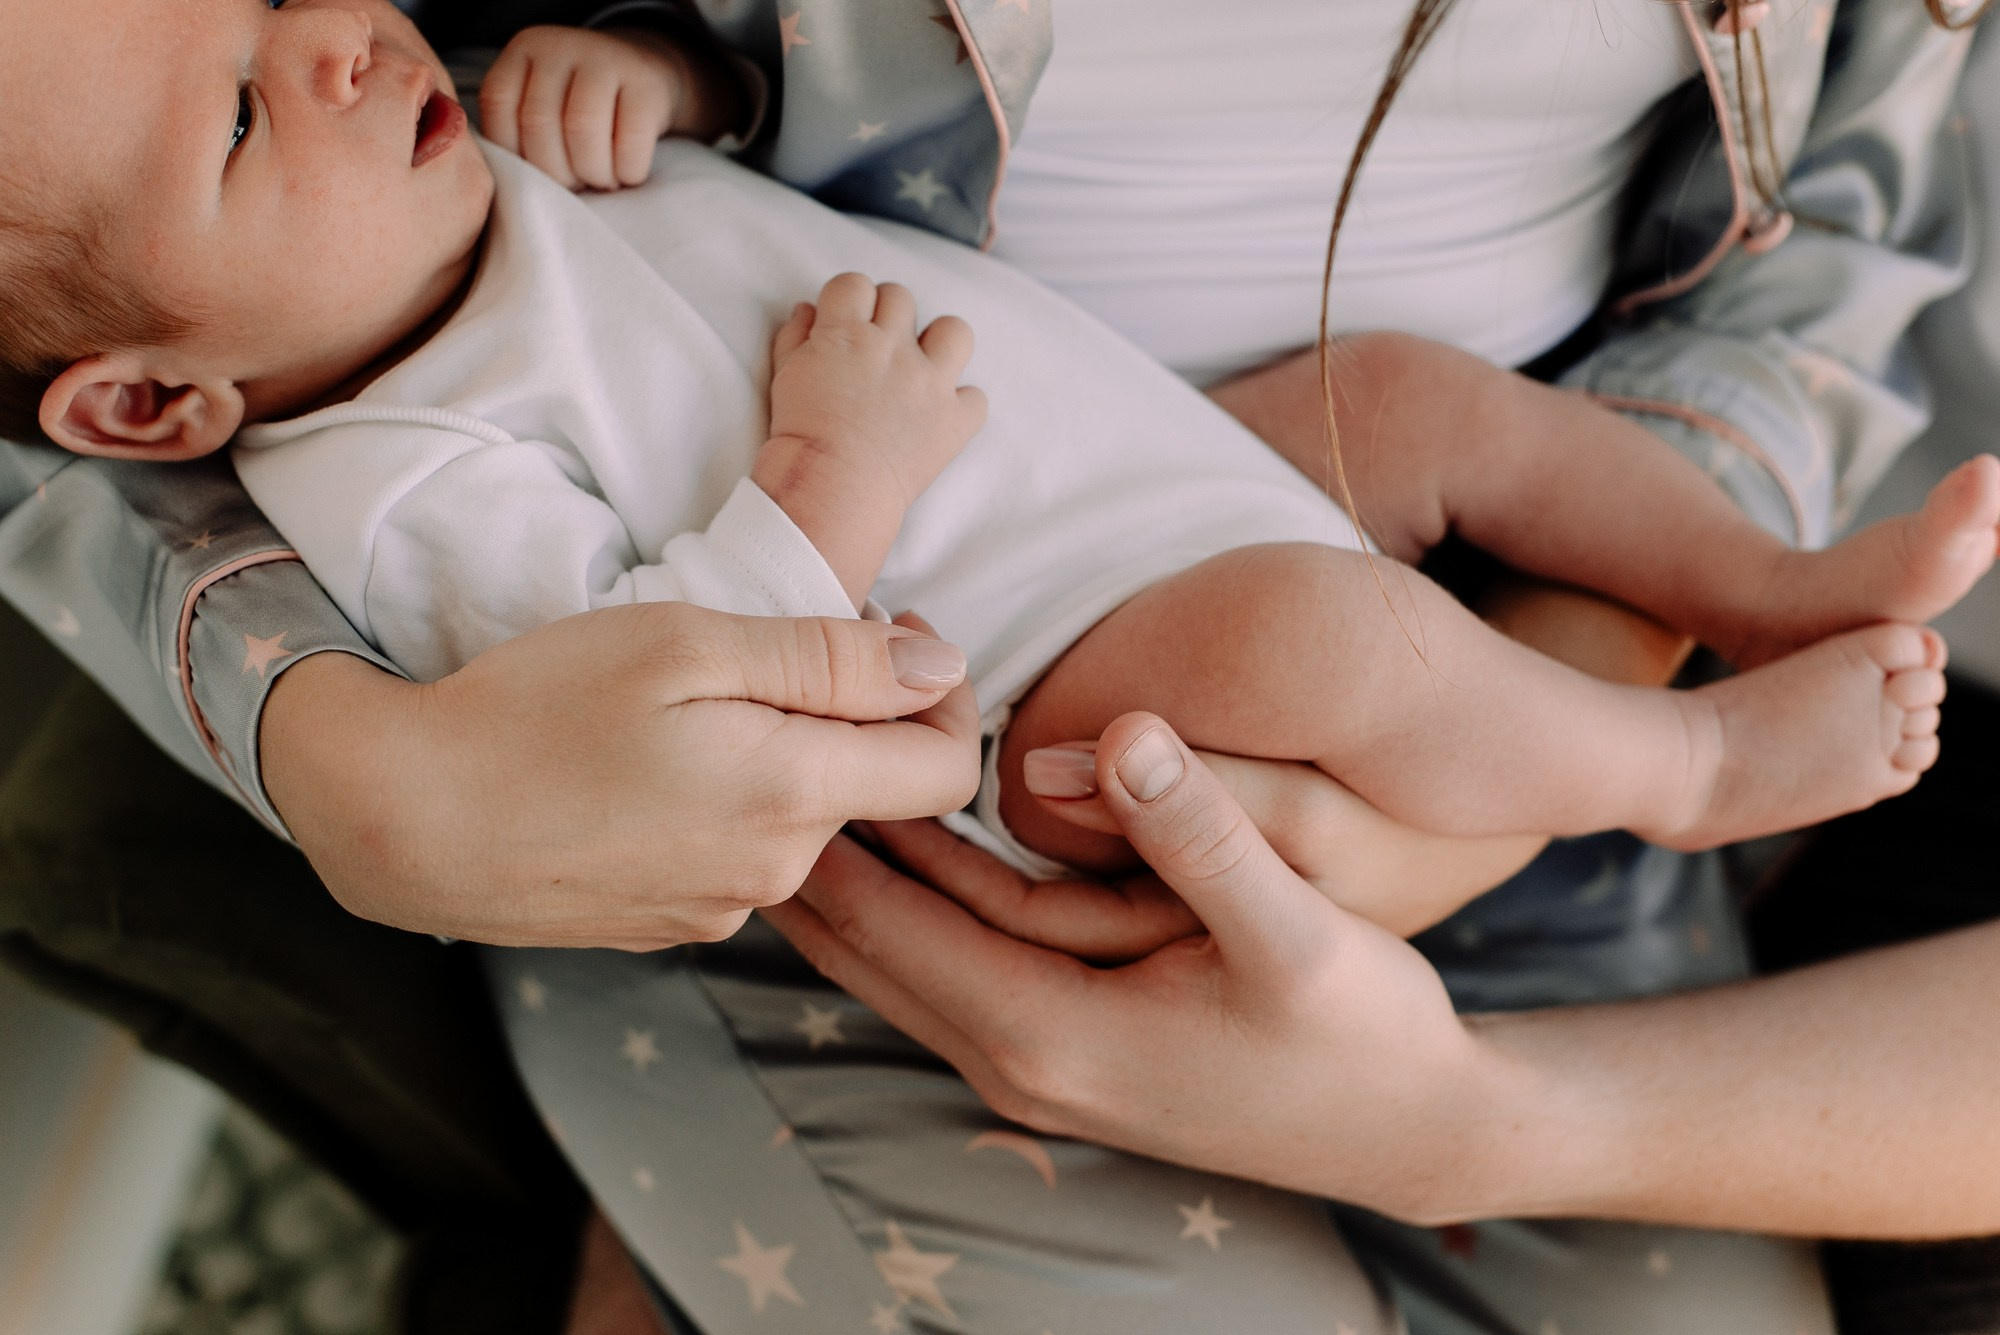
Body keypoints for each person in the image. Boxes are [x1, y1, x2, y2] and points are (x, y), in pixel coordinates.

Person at [0, 0, 1979, 1331]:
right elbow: (672, 673)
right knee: (1317, 640)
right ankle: (1680, 763)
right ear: (159, 399)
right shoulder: (404, 472)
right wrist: (819, 476)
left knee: (1408, 411)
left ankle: (1763, 581)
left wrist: (668, 80)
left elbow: (1835, 227)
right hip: (1044, 692)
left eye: (274, 6)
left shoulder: (434, 204)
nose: (342, 38)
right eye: (256, 105)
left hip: (1219, 487)